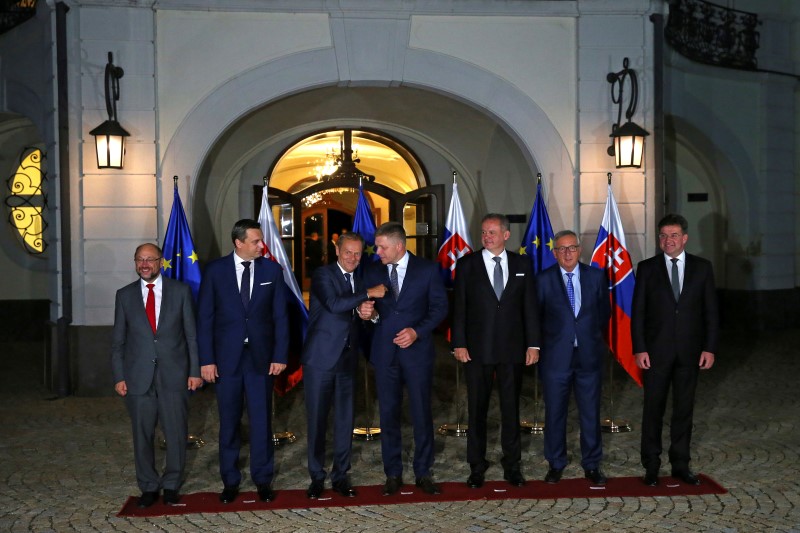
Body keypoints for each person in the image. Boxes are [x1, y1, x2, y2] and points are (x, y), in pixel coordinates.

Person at [197, 219, 289, 504]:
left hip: (261, 360)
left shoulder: (272, 270)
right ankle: (230, 481)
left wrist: (280, 355)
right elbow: (205, 319)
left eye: (261, 240)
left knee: (262, 421)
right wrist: (207, 360)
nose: (261, 245)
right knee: (228, 422)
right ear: (238, 243)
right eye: (255, 241)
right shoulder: (214, 271)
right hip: (226, 361)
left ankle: (263, 479)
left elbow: (280, 317)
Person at [357, 222, 448, 496]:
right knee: (388, 414)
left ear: (399, 245)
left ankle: (423, 471)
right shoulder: (372, 270)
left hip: (417, 353)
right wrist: (367, 314)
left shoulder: (427, 270)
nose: (378, 251)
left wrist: (416, 332)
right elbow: (371, 311)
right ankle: (393, 473)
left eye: (383, 247)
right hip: (385, 353)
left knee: (421, 412)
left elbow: (440, 307)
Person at [111, 243, 203, 508]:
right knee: (142, 434)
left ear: (160, 262)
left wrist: (194, 371)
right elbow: (118, 341)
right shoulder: (125, 295)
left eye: (150, 259)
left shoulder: (180, 291)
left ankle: (172, 483)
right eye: (139, 259)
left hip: (174, 375)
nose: (144, 264)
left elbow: (191, 336)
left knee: (176, 433)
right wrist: (119, 376)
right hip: (137, 377)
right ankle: (148, 486)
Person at [451, 213, 539, 488]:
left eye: (492, 232)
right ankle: (476, 466)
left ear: (505, 235)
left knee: (511, 410)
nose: (486, 237)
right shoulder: (467, 265)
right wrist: (459, 343)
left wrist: (533, 344)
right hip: (477, 351)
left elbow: (530, 308)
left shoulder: (523, 263)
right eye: (484, 232)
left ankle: (512, 465)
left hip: (512, 350)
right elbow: (459, 307)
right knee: (476, 410)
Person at [632, 213, 719, 487]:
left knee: (683, 410)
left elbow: (711, 313)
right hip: (655, 353)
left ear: (684, 238)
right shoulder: (646, 268)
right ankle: (652, 465)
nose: (667, 240)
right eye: (663, 236)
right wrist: (640, 348)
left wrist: (709, 348)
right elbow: (638, 314)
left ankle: (681, 464)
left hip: (690, 352)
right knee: (653, 409)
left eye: (673, 235)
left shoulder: (702, 268)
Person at [302, 232, 387, 499]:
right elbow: (334, 303)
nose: (353, 258)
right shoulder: (323, 275)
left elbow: (364, 314)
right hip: (320, 360)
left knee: (344, 420)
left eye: (358, 253)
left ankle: (340, 475)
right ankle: (317, 476)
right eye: (348, 252)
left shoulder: (359, 279)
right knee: (317, 421)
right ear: (337, 250)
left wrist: (371, 314)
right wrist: (368, 294)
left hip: (348, 360)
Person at [536, 230, 610, 485]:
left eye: (572, 248)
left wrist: (586, 336)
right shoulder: (543, 280)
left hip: (588, 356)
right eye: (562, 249)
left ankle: (591, 464)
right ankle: (555, 463)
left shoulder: (596, 277)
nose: (567, 253)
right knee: (555, 413)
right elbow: (537, 318)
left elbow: (603, 314)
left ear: (579, 250)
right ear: (554, 253)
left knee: (590, 412)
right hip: (556, 358)